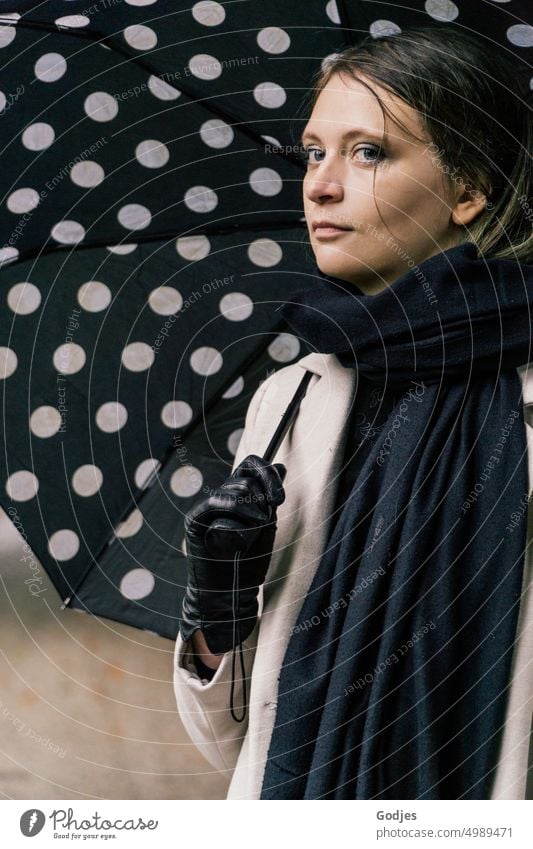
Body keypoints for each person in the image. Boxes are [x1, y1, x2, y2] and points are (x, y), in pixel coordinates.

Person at [173, 24, 533, 800]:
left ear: (467, 188)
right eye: (312, 151)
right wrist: (218, 610)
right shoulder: (292, 397)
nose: (320, 185)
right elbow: (231, 741)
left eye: (368, 152)